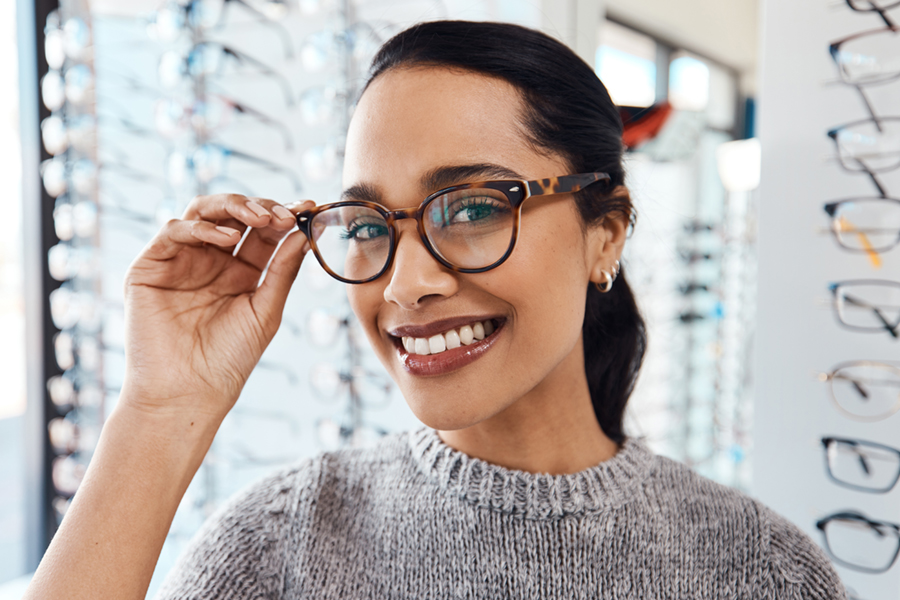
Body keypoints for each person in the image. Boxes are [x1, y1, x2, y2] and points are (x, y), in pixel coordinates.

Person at [25, 20, 845, 600]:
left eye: (474, 207)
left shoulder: (759, 571)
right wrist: (160, 411)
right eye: (370, 225)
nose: (404, 284)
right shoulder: (280, 545)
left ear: (606, 232)